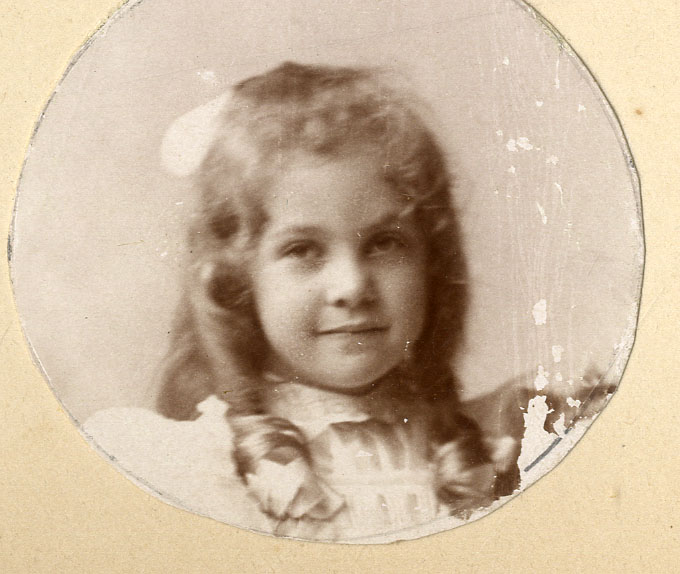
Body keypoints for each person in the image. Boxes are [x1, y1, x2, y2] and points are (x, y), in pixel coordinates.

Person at [84, 62, 612, 542]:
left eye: (384, 243)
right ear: (237, 282)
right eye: (303, 250)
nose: (352, 286)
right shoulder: (204, 470)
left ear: (430, 264)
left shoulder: (492, 445)